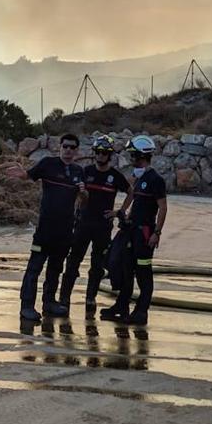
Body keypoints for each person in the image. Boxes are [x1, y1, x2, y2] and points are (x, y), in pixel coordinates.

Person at [5, 133, 84, 321]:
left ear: (77, 151)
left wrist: (84, 193)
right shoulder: (48, 163)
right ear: (60, 147)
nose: (68, 151)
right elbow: (28, 176)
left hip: (65, 231)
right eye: (65, 146)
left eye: (72, 147)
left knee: (55, 269)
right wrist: (21, 173)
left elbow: (83, 199)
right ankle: (27, 306)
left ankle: (49, 302)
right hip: (45, 229)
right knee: (35, 267)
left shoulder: (78, 171)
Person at [58, 134, 130, 316]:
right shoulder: (86, 171)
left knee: (97, 265)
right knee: (73, 261)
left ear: (110, 155)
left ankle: (91, 297)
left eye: (104, 153)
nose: (101, 156)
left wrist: (118, 212)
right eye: (98, 152)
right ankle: (64, 298)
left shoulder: (115, 176)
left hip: (103, 227)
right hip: (83, 224)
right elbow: (77, 193)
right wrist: (80, 201)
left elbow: (131, 192)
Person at [101, 134, 166, 326]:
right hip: (132, 231)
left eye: (133, 156)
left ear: (142, 156)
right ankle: (122, 306)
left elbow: (162, 207)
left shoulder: (155, 180)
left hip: (145, 233)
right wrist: (120, 212)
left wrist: (157, 233)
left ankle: (141, 312)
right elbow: (132, 197)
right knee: (125, 268)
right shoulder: (139, 178)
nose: (131, 160)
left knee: (143, 272)